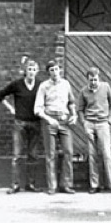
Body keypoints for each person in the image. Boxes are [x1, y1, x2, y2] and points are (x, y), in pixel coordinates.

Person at [0, 58, 44, 194]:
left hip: (35, 122)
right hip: (20, 123)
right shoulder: (17, 84)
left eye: (34, 70)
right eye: (29, 69)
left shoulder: (41, 85)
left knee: (33, 155)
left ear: (37, 71)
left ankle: (31, 184)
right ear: (25, 71)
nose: (31, 72)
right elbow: (0, 95)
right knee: (17, 155)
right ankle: (15, 185)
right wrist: (11, 108)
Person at [77, 67, 111, 194]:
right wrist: (84, 123)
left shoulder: (106, 87)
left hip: (103, 123)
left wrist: (110, 120)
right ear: (87, 80)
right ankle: (94, 184)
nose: (93, 82)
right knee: (92, 155)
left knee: (107, 154)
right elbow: (80, 109)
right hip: (90, 124)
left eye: (95, 79)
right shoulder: (83, 91)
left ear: (99, 78)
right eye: (91, 80)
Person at [34, 60, 77, 195]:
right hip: (49, 120)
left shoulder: (66, 84)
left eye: (56, 69)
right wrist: (49, 119)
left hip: (64, 120)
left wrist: (74, 115)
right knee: (51, 154)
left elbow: (71, 102)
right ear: (48, 72)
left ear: (60, 70)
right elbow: (37, 109)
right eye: (51, 70)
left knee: (68, 152)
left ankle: (66, 184)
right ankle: (52, 186)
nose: (55, 72)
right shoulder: (43, 86)